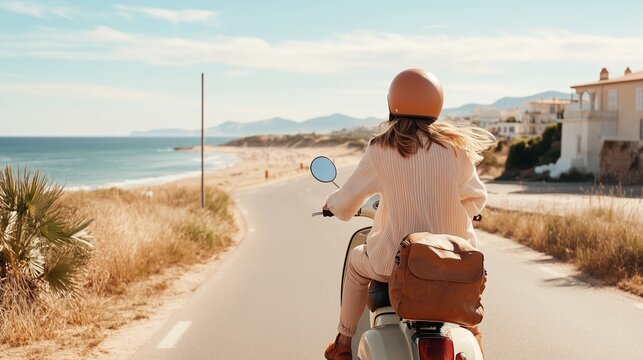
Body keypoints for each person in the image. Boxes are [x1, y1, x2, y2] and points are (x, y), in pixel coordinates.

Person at [322, 69, 496, 360]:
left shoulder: (382, 148)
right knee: (466, 275)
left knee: (356, 262)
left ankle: (342, 342)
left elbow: (345, 203)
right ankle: (473, 332)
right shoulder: (457, 149)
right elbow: (477, 199)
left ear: (393, 103)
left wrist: (332, 204)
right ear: (436, 104)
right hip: (451, 263)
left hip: (392, 264)